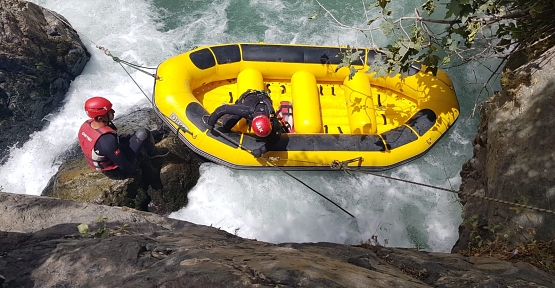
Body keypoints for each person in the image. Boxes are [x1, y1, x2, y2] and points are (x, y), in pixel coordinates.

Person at [77, 96, 169, 176]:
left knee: (132, 134)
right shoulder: (107, 140)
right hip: (115, 168)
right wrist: (135, 170)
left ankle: (160, 133)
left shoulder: (86, 125)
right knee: (143, 133)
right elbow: (123, 164)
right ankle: (153, 153)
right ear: (100, 118)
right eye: (109, 111)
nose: (114, 111)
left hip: (107, 154)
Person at [205, 89, 284, 157]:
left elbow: (275, 138)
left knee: (267, 137)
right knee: (227, 125)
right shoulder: (246, 110)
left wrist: (261, 150)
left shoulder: (272, 118)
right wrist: (210, 122)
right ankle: (233, 109)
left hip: (265, 100)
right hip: (250, 98)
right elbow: (222, 109)